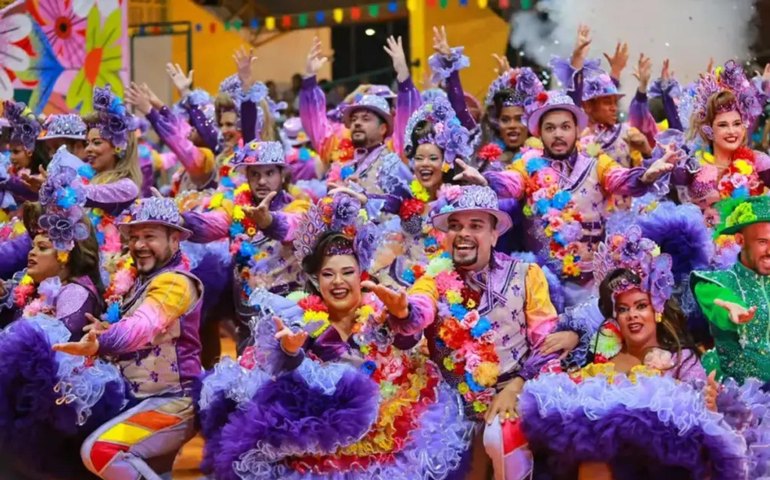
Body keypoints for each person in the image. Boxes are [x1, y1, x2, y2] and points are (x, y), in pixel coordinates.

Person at [196, 193, 473, 479]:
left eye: (347, 272)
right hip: (321, 436)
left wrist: (402, 315)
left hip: (387, 420)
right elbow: (286, 380)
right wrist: (291, 354)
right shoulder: (300, 316)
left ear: (361, 274)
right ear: (316, 280)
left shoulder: (380, 307)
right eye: (329, 274)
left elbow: (407, 339)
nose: (338, 282)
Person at [411, 185, 578, 478]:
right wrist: (404, 313)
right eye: (455, 226)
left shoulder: (527, 275)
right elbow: (417, 310)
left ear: (494, 234)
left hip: (516, 391)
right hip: (453, 403)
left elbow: (547, 343)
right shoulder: (432, 280)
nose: (463, 234)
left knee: (498, 434)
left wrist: (517, 387)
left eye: (475, 225)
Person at [53, 197, 202, 479]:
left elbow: (142, 326)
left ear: (174, 240)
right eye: (134, 237)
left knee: (98, 451)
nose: (139, 245)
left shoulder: (175, 283)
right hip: (138, 399)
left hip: (172, 402)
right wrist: (104, 330)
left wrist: (103, 342)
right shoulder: (140, 280)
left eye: (150, 237)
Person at [504, 91, 677, 304]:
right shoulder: (525, 165)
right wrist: (486, 183)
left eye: (565, 127)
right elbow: (508, 183)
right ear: (539, 133)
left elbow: (622, 179)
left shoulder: (598, 164)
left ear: (577, 129)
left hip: (590, 287)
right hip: (539, 286)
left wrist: (644, 176)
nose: (558, 134)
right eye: (550, 128)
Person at [182, 140, 309, 352]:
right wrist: (181, 221)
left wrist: (269, 221)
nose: (262, 181)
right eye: (255, 175)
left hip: (288, 319)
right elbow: (212, 224)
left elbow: (293, 226)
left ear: (282, 175)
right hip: (246, 319)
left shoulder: (297, 207)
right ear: (247, 177)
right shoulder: (237, 211)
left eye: (269, 173)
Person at [590, 226, 705, 382]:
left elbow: (700, 404)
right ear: (615, 317)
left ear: (657, 310)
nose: (632, 315)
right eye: (623, 309)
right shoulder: (604, 364)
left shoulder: (681, 360)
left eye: (641, 306)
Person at [691, 195, 770, 383]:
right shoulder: (714, 282)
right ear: (740, 240)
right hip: (736, 393)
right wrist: (731, 311)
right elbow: (719, 301)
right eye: (763, 242)